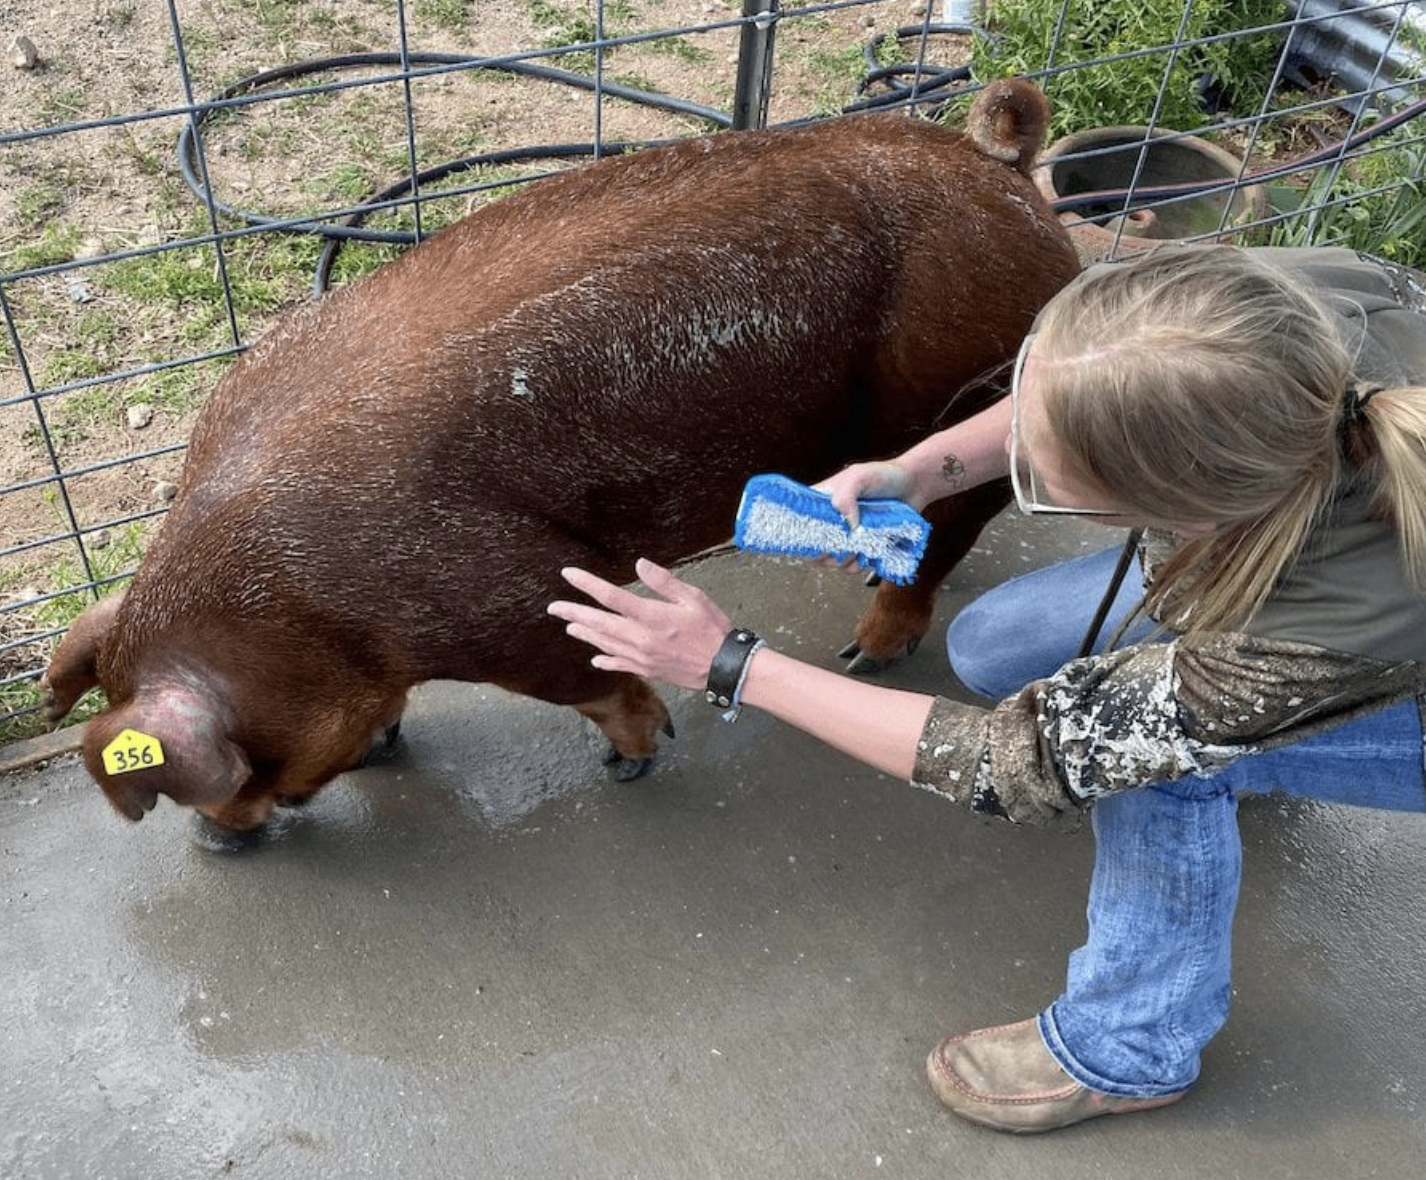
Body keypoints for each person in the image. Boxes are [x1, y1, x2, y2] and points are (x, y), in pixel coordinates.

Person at [547, 244, 1426, 1134]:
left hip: (1398, 680)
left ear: (1181, 508)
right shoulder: (1248, 317)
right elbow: (1087, 391)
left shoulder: (1326, 626)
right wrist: (915, 475)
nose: (1025, 469)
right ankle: (1255, 750)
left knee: (1157, 762)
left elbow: (1019, 764)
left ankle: (1131, 1049)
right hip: (1284, 562)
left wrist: (731, 663)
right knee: (997, 644)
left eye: (1053, 487)